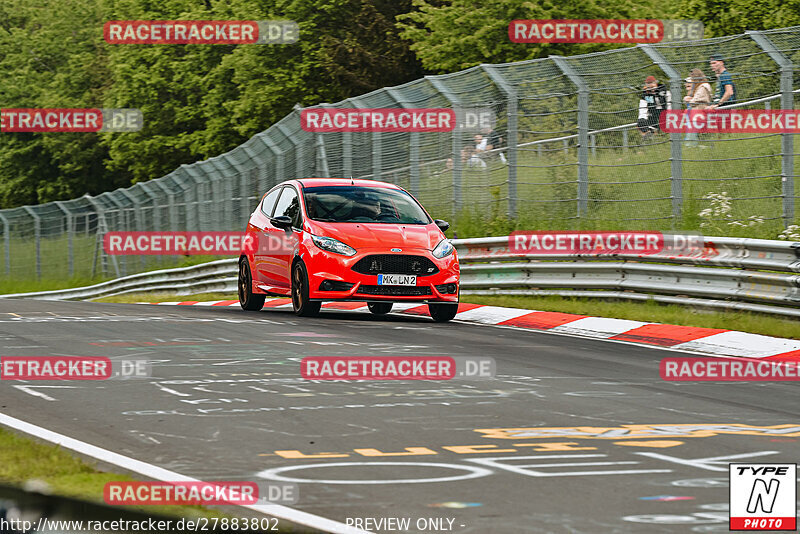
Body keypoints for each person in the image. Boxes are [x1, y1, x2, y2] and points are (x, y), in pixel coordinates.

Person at [682, 69, 712, 148]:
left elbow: (697, 98)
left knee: (695, 131)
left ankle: (692, 146)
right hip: (695, 112)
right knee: (693, 131)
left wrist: (689, 100)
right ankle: (692, 146)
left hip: (699, 111)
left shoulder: (704, 86)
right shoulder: (698, 86)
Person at [637, 75, 671, 141]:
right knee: (641, 122)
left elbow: (670, 104)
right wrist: (642, 118)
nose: (651, 87)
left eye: (652, 84)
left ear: (655, 83)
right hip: (653, 113)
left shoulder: (664, 91)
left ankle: (668, 136)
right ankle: (650, 136)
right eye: (648, 84)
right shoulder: (646, 95)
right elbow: (643, 108)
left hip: (665, 111)